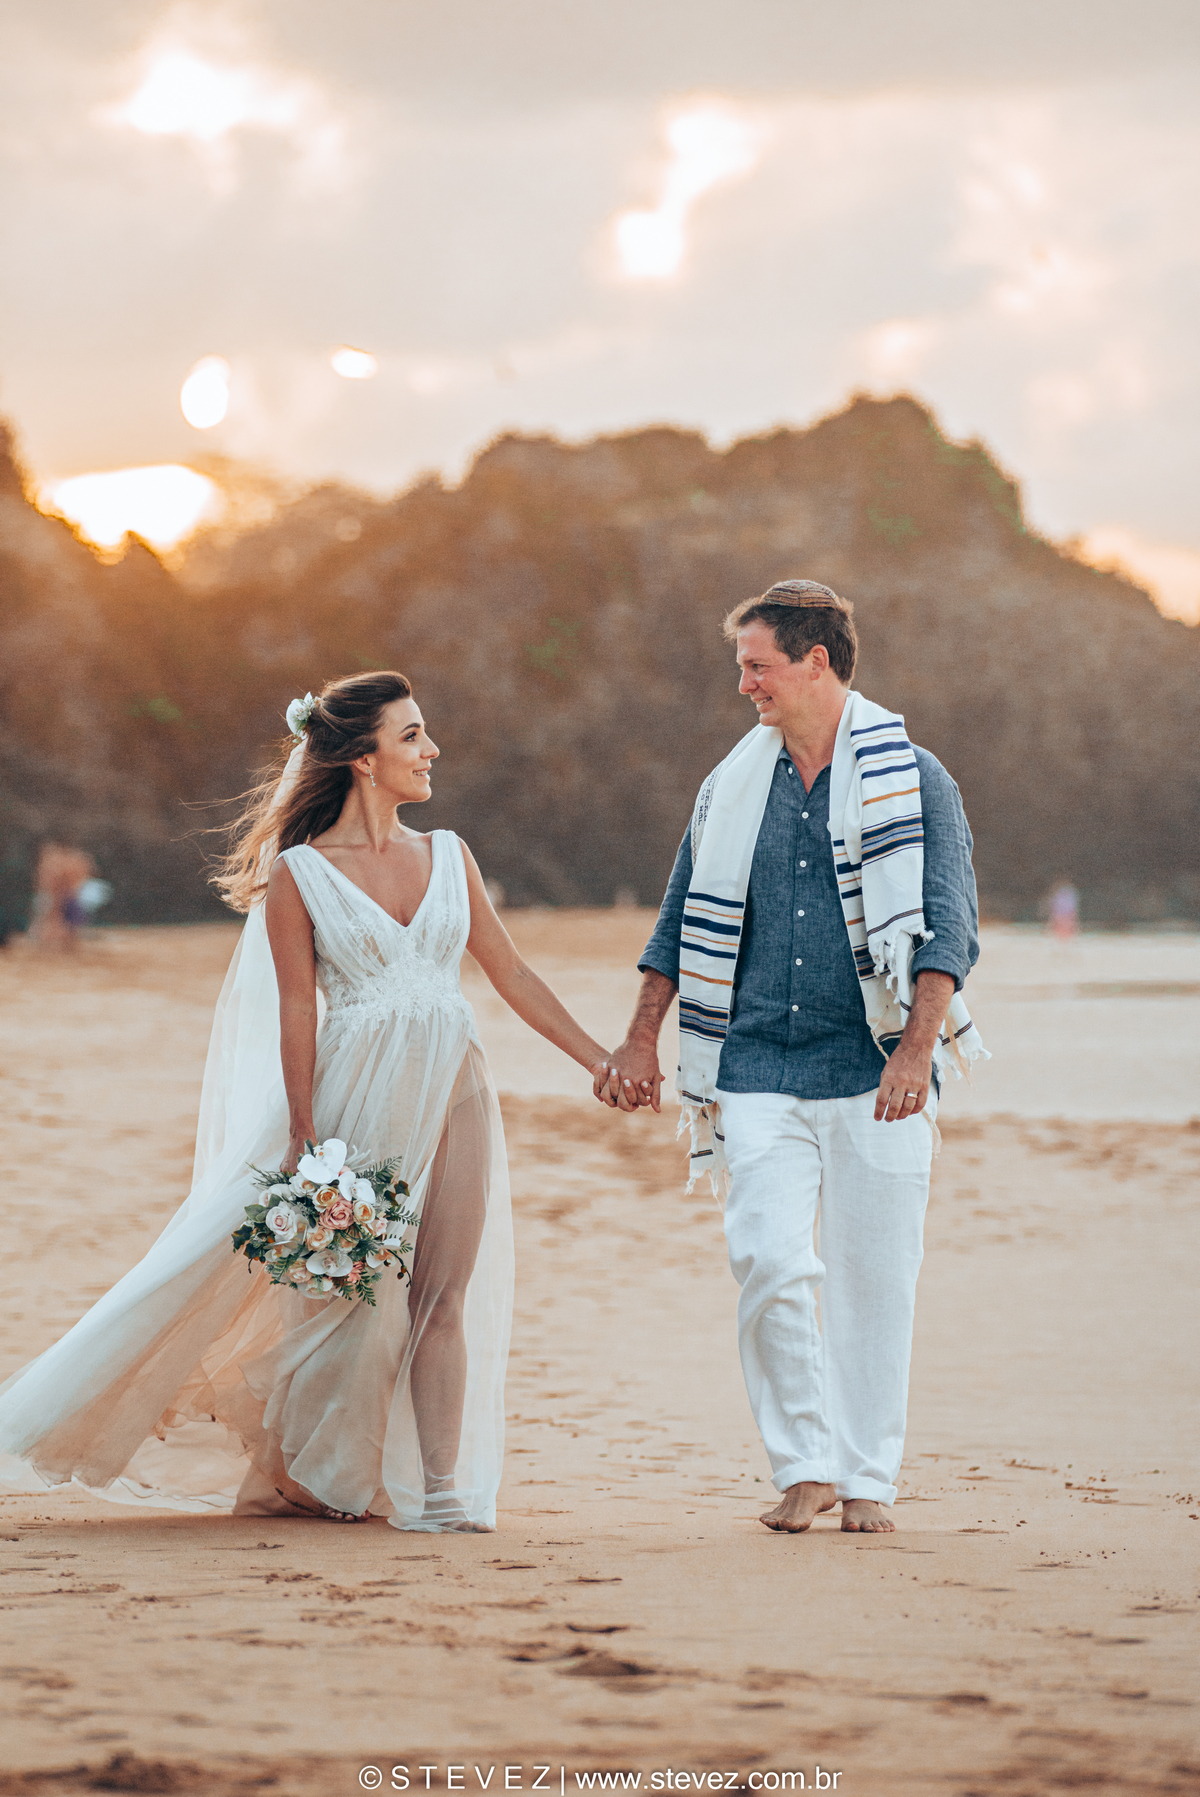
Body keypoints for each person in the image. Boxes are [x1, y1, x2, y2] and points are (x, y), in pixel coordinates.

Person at [0, 671, 611, 1532]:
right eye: (412, 736)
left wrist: (599, 1058)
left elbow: (511, 973)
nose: (431, 750)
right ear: (363, 760)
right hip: (355, 1096)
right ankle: (324, 1470)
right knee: (358, 1299)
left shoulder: (451, 856)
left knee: (444, 1291)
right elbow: (296, 1007)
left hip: (455, 1081)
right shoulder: (299, 876)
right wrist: (302, 1131)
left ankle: (444, 1495)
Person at [596, 581, 986, 1535]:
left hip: (873, 1068)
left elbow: (949, 933)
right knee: (769, 1259)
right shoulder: (730, 788)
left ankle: (867, 1480)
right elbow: (679, 919)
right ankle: (803, 1465)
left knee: (875, 1280)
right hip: (756, 1063)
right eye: (743, 667)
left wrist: (914, 1052)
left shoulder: (916, 778)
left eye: (758, 665)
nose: (745, 685)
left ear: (817, 663)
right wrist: (643, 1033)